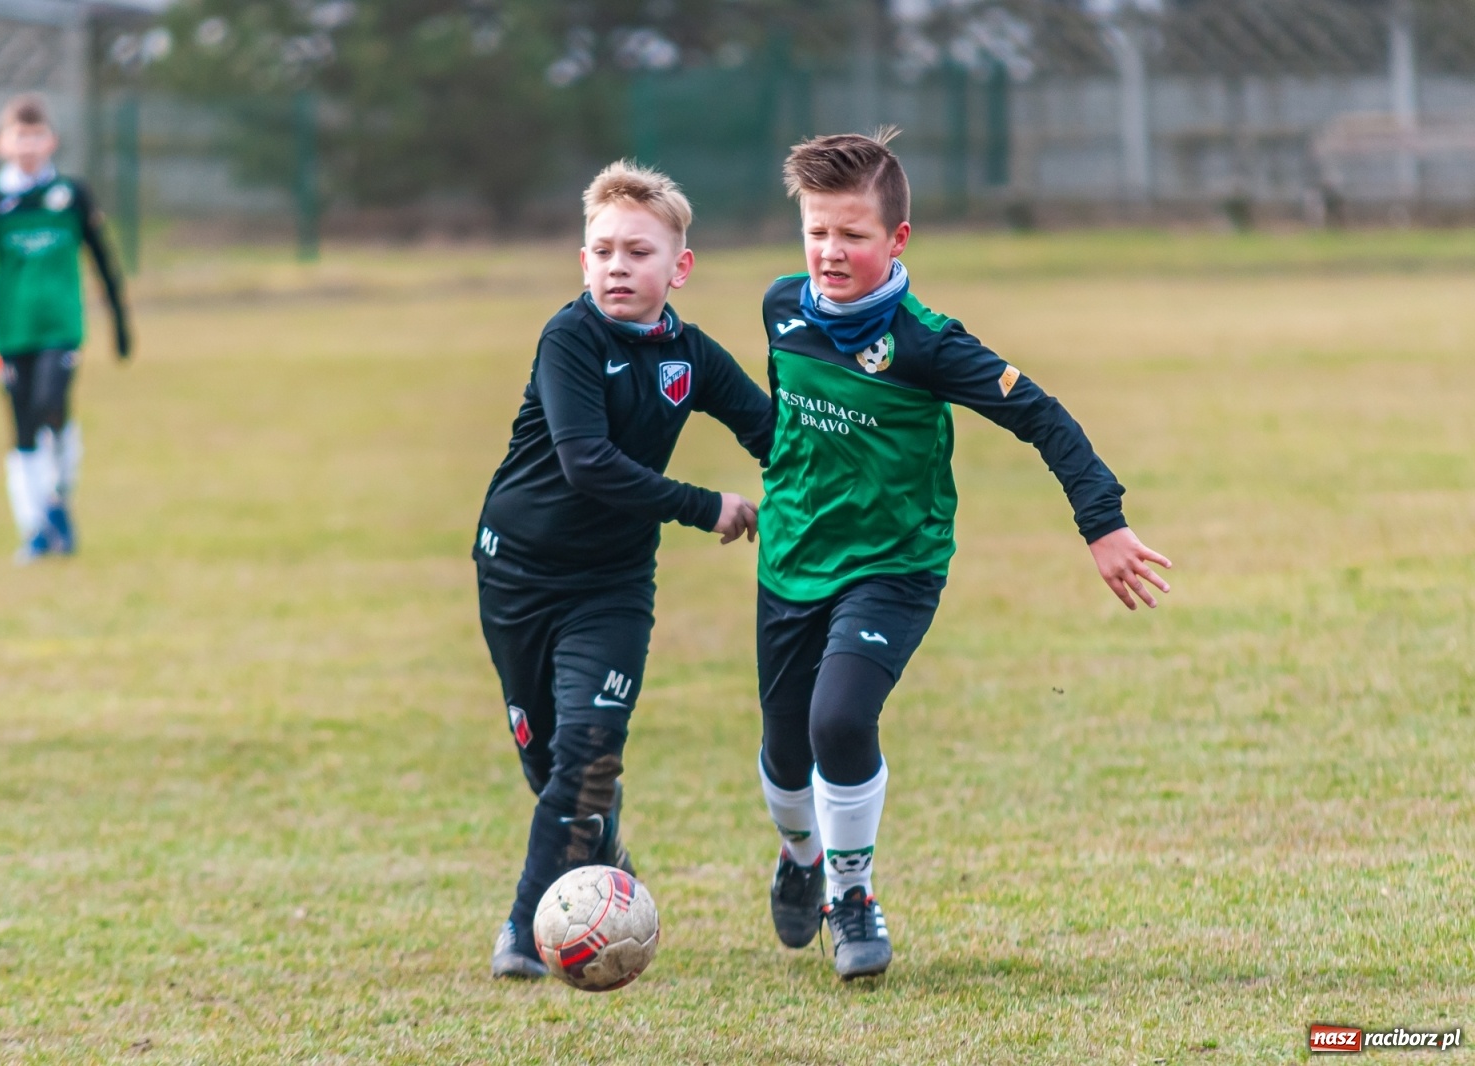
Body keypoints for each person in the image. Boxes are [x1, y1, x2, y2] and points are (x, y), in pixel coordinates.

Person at [754, 130, 1172, 979]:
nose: (829, 252)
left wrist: (1102, 522)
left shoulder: (928, 343)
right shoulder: (780, 307)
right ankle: (801, 857)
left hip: (894, 567)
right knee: (785, 755)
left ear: (897, 239)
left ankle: (851, 896)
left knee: (839, 721)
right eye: (816, 232)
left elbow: (1041, 416)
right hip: (790, 561)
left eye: (852, 235)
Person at [475, 160, 774, 978]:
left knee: (589, 748)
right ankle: (599, 842)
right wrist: (707, 506)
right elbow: (587, 464)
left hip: (611, 587)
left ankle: (524, 931)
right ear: (583, 262)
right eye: (603, 251)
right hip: (516, 576)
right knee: (550, 766)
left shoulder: (692, 356)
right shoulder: (570, 338)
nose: (617, 266)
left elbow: (773, 435)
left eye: (638, 252)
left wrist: (838, 492)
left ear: (678, 268)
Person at [0, 92, 131, 562]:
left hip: (61, 326)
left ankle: (56, 501)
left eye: (36, 136)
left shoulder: (71, 196)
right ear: (1, 144)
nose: (28, 146)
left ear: (52, 141)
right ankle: (36, 528)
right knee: (23, 424)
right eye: (19, 136)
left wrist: (120, 321)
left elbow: (103, 260)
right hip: (12, 331)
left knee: (51, 404)